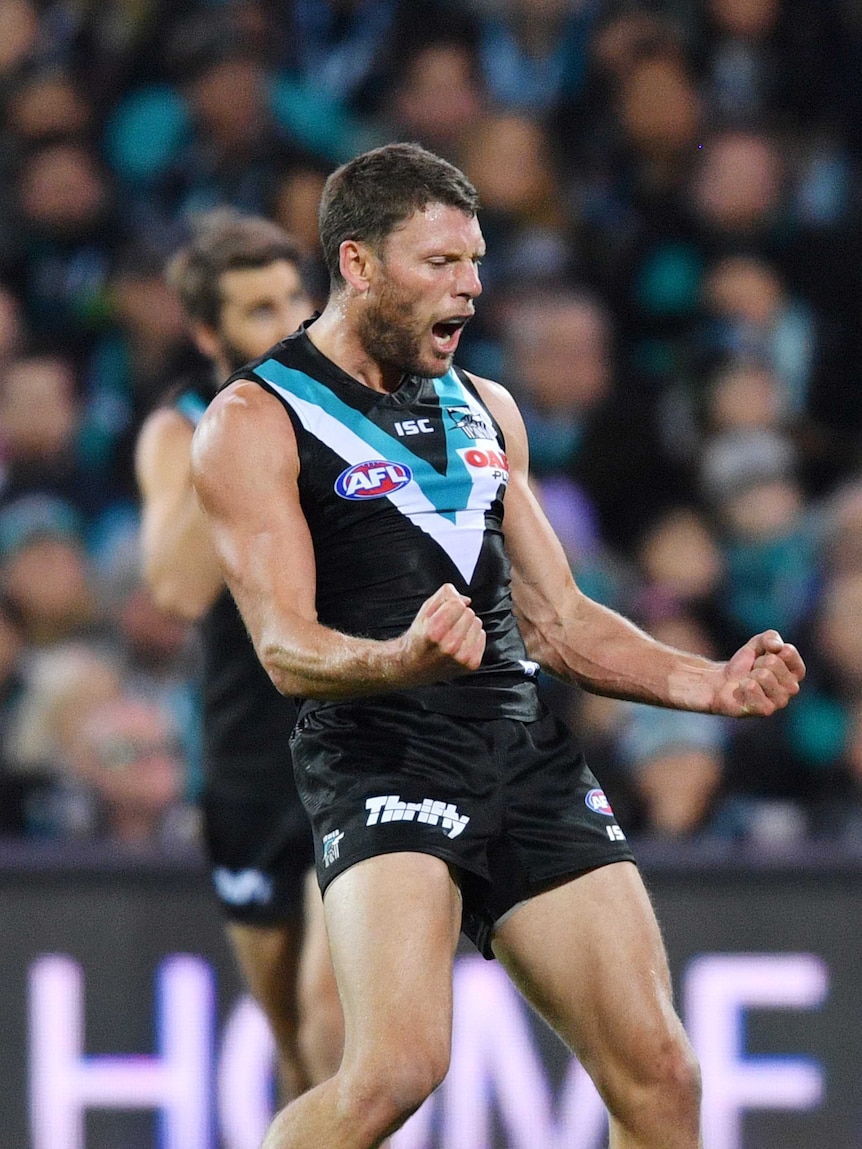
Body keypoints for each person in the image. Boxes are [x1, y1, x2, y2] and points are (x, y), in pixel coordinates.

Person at [189, 143, 806, 1149]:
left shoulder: (486, 408)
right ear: (356, 264)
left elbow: (556, 618)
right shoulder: (257, 421)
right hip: (376, 752)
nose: (469, 288)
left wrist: (710, 682)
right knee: (395, 1070)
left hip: (517, 748)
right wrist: (398, 662)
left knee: (661, 1078)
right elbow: (282, 647)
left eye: (474, 262)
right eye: (438, 264)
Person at [134, 209, 342, 1098]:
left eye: (298, 296)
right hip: (249, 758)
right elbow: (178, 588)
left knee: (336, 1015)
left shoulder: (359, 408)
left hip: (363, 738)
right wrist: (242, 424)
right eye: (261, 309)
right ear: (208, 332)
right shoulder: (179, 431)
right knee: (296, 1049)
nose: (291, 321)